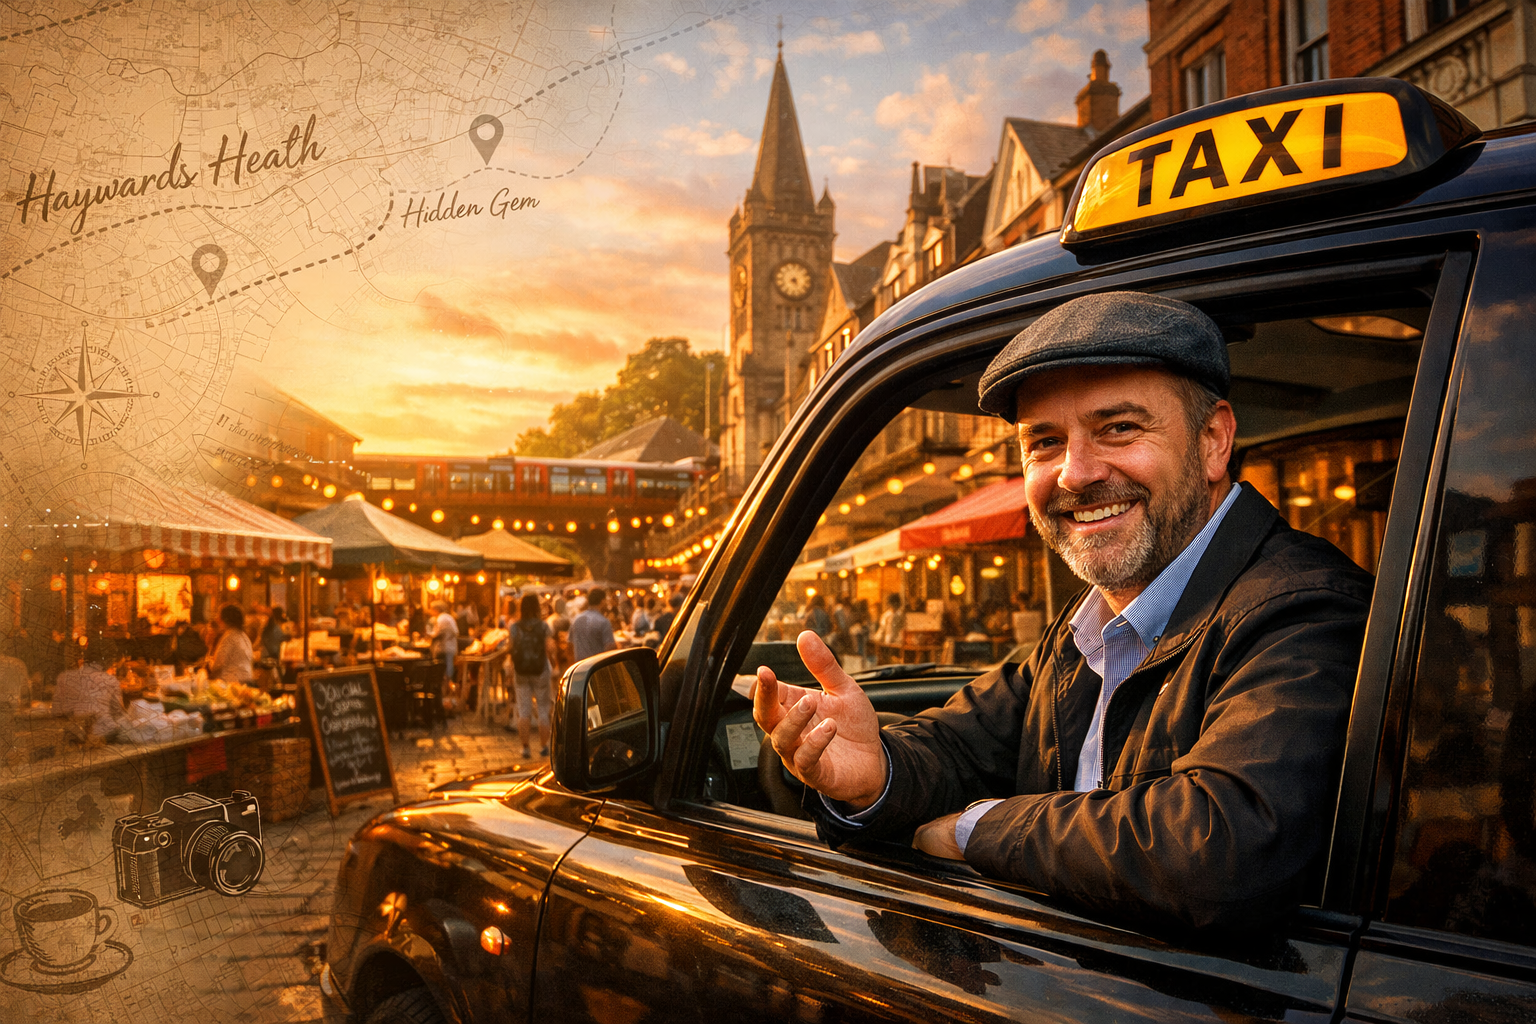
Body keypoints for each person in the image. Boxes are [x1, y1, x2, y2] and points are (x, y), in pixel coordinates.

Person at [752, 291, 1373, 932]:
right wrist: (875, 774)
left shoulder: (1303, 608)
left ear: (1214, 441)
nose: (1075, 474)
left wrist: (976, 829)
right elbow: (965, 747)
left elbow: (1223, 846)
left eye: (1119, 429)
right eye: (1044, 443)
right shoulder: (1084, 633)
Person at [507, 594, 557, 759]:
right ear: (537, 607)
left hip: (521, 671)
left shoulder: (514, 627)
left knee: (524, 710)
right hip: (540, 670)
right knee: (543, 709)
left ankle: (525, 748)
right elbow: (549, 647)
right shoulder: (543, 626)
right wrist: (553, 660)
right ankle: (544, 746)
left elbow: (511, 648)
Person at [51, 636, 127, 740]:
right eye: (112, 659)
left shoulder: (63, 678)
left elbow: (56, 712)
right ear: (107, 659)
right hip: (102, 737)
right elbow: (118, 714)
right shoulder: (110, 681)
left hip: (71, 737)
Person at [208, 604, 255, 683]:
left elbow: (218, 665)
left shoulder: (229, 637)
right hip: (248, 681)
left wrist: (209, 662)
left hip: (232, 684)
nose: (217, 618)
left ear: (224, 619)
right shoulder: (244, 636)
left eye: (218, 615)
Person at [570, 587, 616, 663]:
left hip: (579, 666)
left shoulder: (576, 619)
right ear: (602, 601)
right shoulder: (604, 622)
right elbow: (610, 647)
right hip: (596, 666)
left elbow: (570, 645)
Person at [428, 600, 459, 688]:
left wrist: (428, 634)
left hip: (444, 648)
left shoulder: (442, 618)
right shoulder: (447, 617)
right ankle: (446, 691)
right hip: (449, 647)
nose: (429, 611)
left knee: (444, 671)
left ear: (437, 609)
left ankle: (444, 691)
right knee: (448, 669)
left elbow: (436, 633)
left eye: (431, 608)